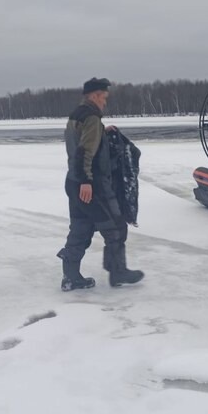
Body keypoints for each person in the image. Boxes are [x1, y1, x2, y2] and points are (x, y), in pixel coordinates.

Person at [57, 78, 144, 291]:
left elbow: (81, 141)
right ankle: (118, 272)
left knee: (81, 228)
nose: (105, 102)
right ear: (94, 95)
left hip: (73, 182)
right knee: (115, 226)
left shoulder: (77, 115)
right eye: (104, 98)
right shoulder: (92, 118)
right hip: (92, 185)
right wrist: (87, 182)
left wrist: (102, 134)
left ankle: (71, 276)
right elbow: (84, 152)